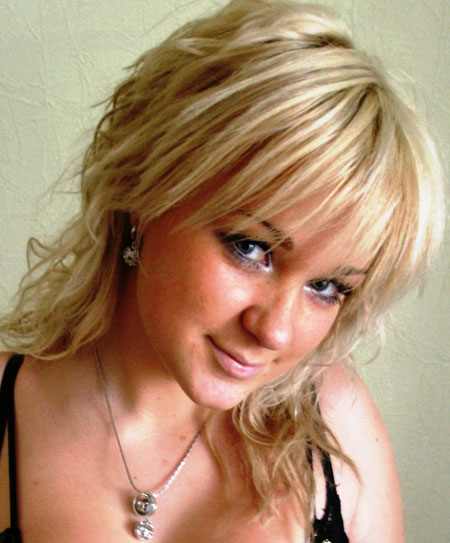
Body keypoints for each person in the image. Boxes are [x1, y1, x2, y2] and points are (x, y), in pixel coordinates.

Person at [0, 0, 445, 541]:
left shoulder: (336, 423)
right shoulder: (9, 409)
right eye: (251, 248)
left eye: (327, 286)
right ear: (145, 191)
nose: (275, 331)